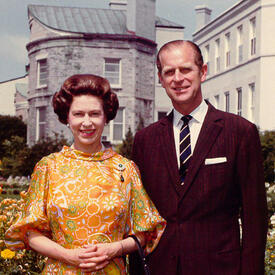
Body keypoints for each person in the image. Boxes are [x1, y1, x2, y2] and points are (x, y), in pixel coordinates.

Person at [5, 74, 166, 274]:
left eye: (94, 114)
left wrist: (115, 249)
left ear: (106, 117)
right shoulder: (48, 167)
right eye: (79, 114)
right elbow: (29, 233)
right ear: (67, 117)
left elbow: (146, 231)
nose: (87, 122)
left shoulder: (125, 169)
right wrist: (67, 255)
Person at [131, 40, 268, 275]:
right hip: (161, 268)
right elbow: (137, 217)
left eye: (185, 69)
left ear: (202, 72)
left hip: (221, 269)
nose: (177, 78)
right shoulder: (145, 140)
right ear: (160, 79)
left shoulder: (239, 132)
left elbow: (254, 217)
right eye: (169, 72)